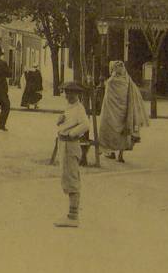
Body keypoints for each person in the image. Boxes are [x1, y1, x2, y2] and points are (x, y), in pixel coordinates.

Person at [98, 60, 149, 163]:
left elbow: (107, 97)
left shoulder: (111, 81)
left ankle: (111, 152)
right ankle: (120, 155)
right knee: (123, 133)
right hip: (124, 112)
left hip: (112, 113)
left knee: (110, 131)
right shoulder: (128, 80)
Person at [54, 81, 90, 228]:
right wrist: (60, 121)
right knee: (66, 177)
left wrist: (72, 133)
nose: (68, 95)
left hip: (70, 144)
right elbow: (68, 121)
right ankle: (71, 214)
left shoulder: (79, 108)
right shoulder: (70, 107)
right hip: (64, 144)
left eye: (71, 93)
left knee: (71, 179)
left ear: (77, 94)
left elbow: (85, 125)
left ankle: (73, 216)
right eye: (66, 92)